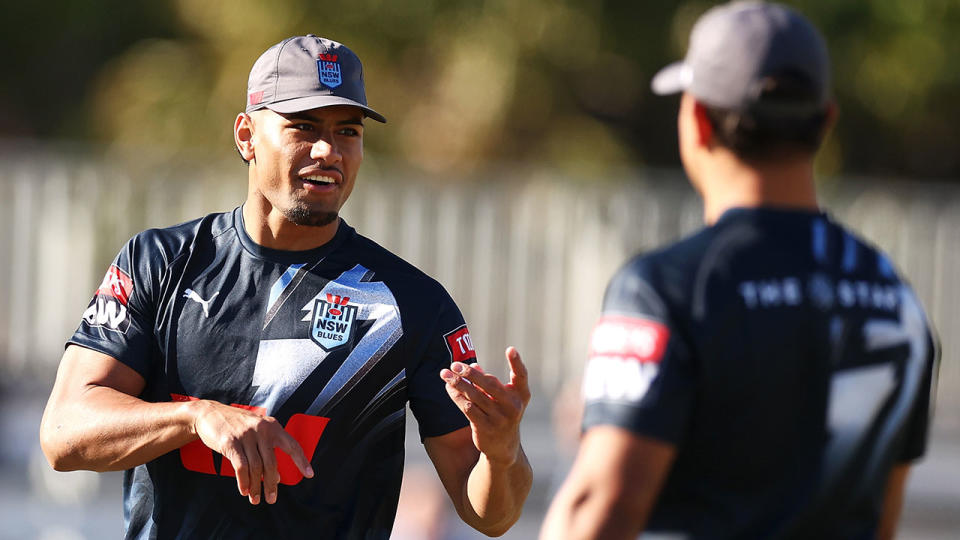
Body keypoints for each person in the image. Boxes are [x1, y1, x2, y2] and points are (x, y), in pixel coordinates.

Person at [39, 35, 531, 539]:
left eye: (347, 131)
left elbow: (491, 515)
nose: (329, 151)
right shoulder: (161, 263)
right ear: (247, 135)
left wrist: (502, 453)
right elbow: (64, 434)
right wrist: (197, 418)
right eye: (304, 126)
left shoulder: (410, 302)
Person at [540, 2, 939, 539]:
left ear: (697, 119)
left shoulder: (666, 289)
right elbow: (880, 522)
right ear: (825, 121)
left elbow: (598, 512)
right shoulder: (897, 300)